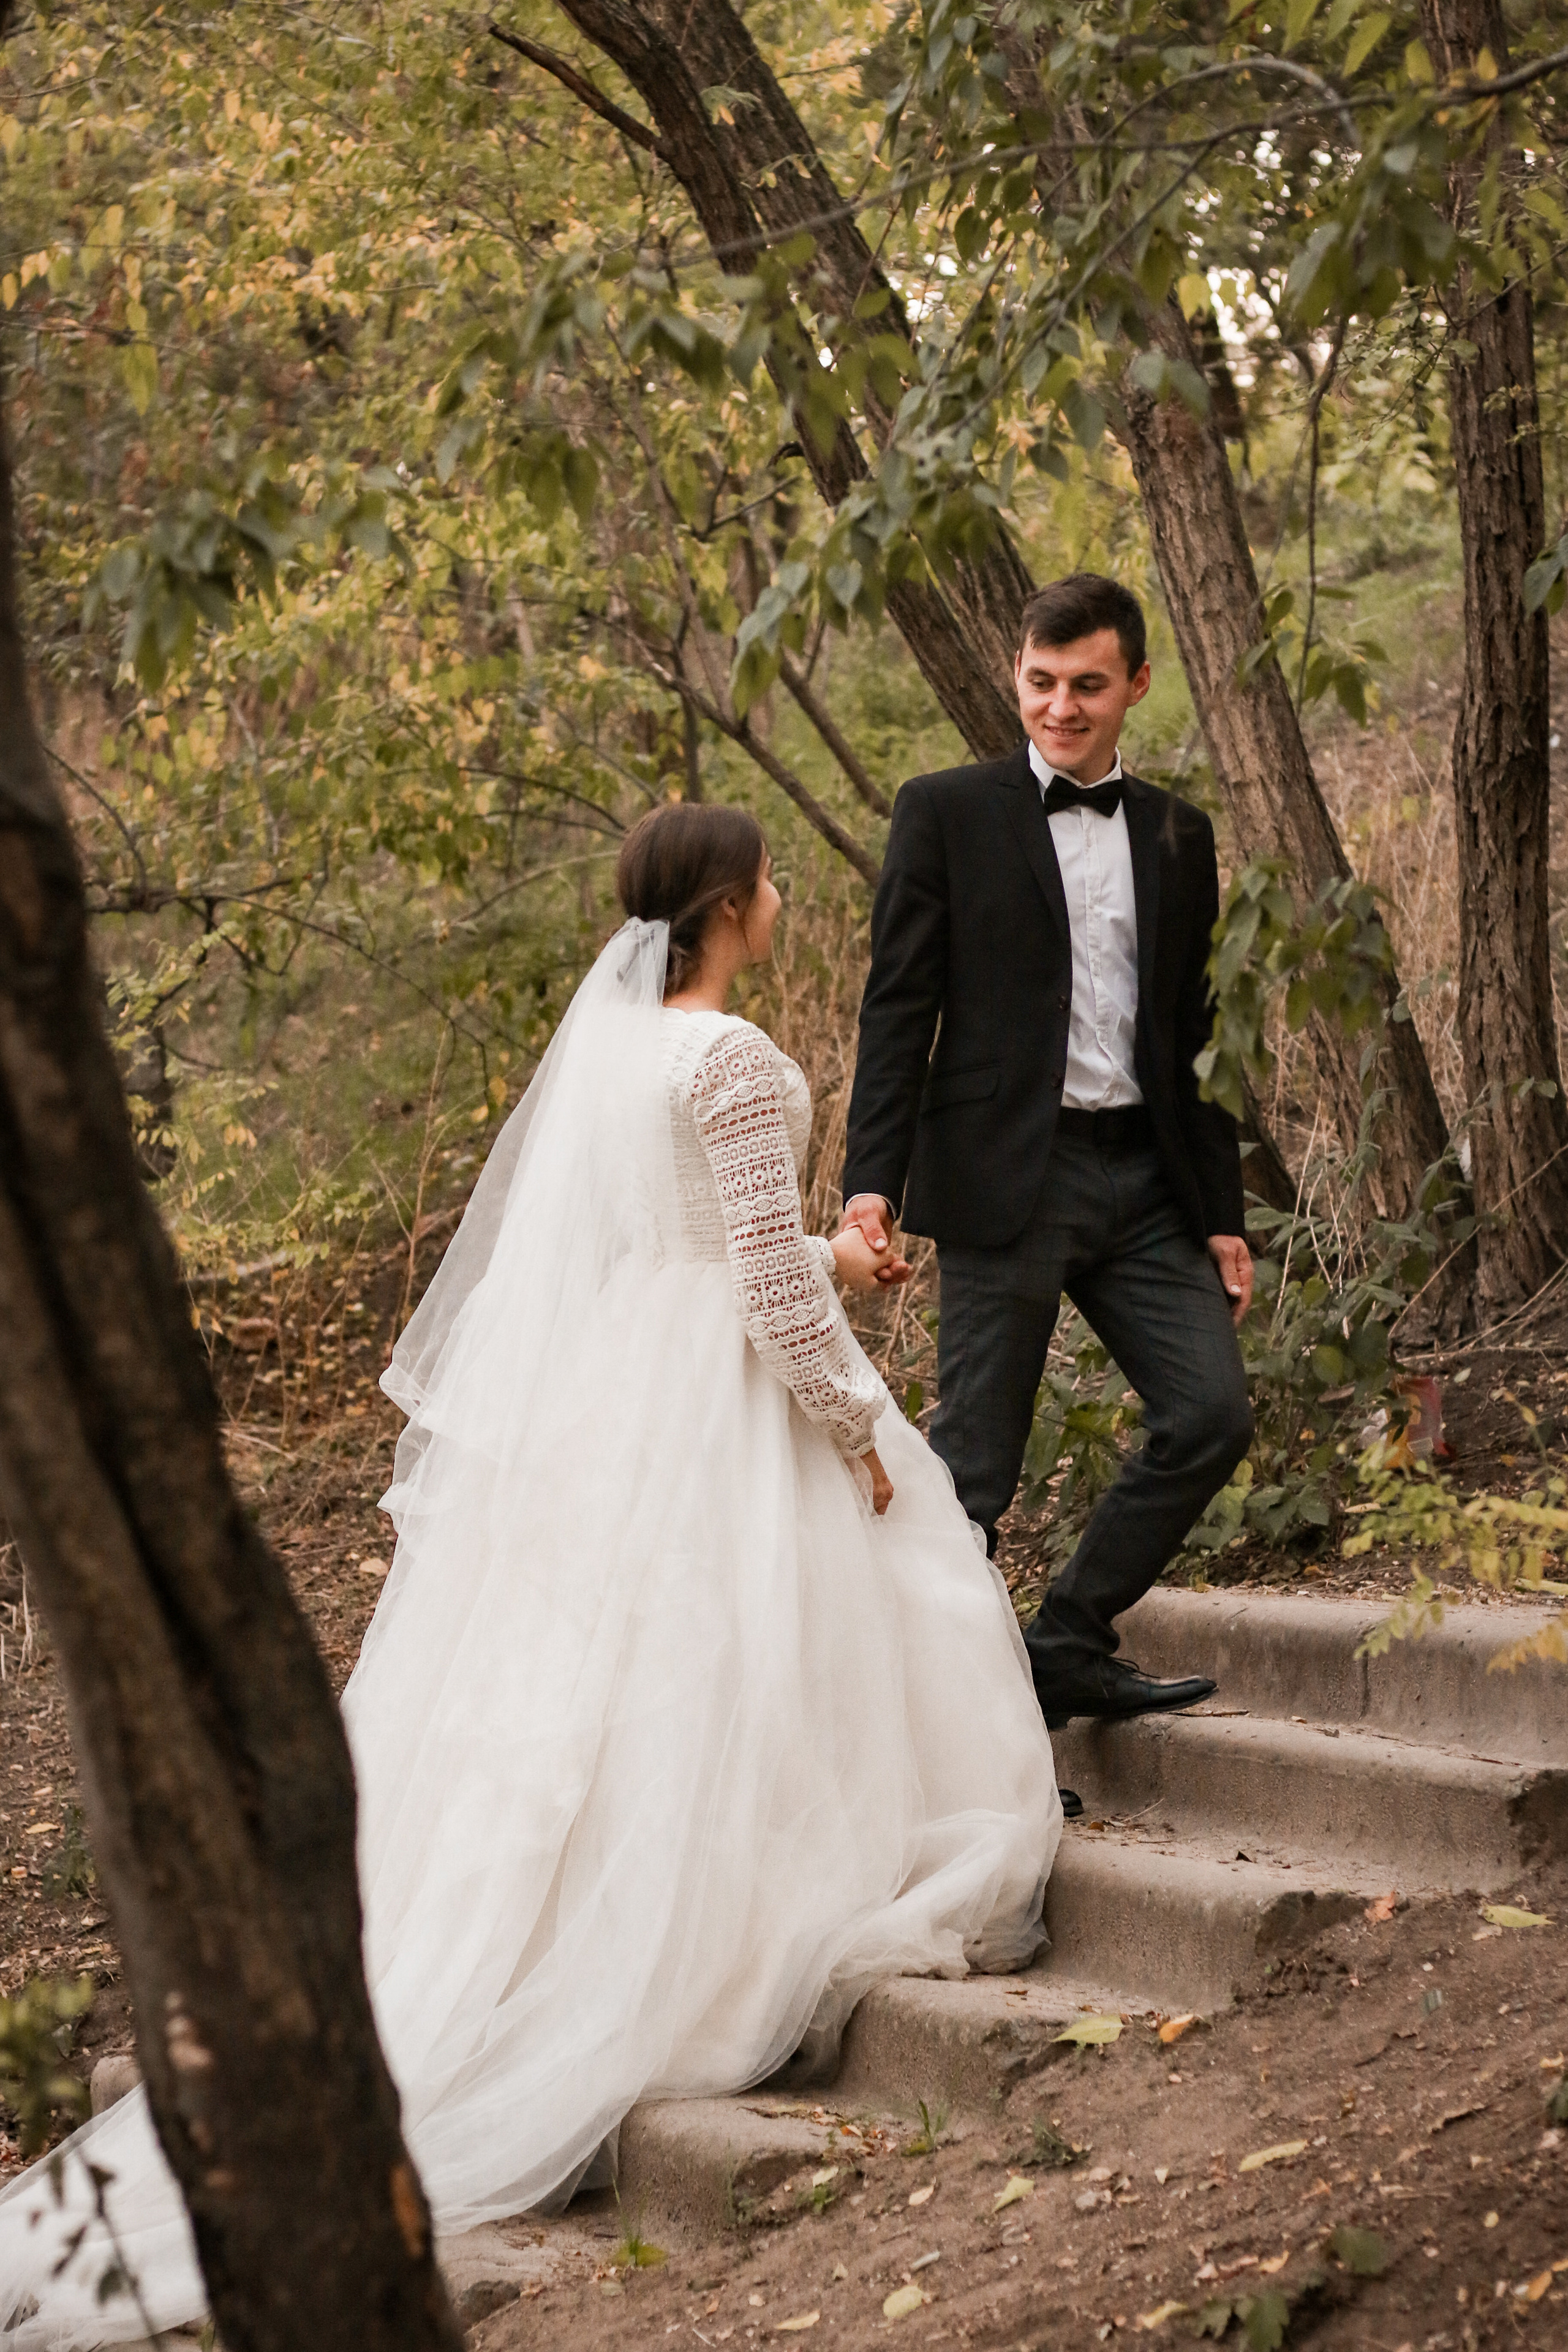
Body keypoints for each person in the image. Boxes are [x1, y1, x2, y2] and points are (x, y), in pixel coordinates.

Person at [0, 803, 1060, 2347]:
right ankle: (709, 1940)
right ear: (725, 904)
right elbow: (763, 1286)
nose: (778, 899)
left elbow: (695, 1247)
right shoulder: (729, 1058)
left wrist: (831, 1263)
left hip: (619, 1383)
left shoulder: (611, 1053)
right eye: (767, 881)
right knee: (743, 1645)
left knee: (602, 1674)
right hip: (720, 1397)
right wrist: (855, 1427)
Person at [840, 573, 1254, 1740]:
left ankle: (1065, 1644)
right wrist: (870, 1183)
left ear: (1136, 685)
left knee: (1212, 1414)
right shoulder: (945, 812)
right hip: (1007, 1180)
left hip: (1146, 1181)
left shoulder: (1178, 832)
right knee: (973, 1473)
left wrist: (1220, 1211)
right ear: (1014, 676)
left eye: (1087, 685)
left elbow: (1193, 1030)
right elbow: (898, 1009)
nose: (1061, 707)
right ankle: (946, 1745)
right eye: (1041, 682)